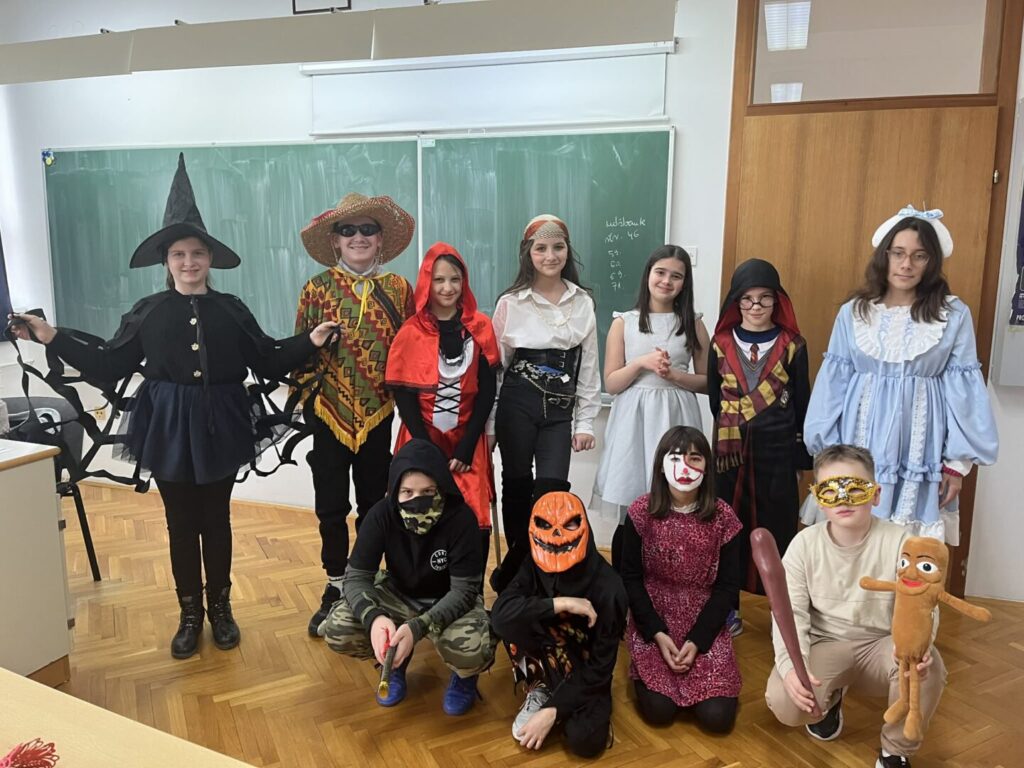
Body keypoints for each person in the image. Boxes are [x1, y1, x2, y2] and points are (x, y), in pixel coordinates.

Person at [10, 154, 337, 659]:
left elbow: (268, 358)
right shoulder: (149, 312)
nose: (189, 262)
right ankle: (190, 613)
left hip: (222, 422)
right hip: (165, 425)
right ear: (166, 260)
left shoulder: (231, 310)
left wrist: (309, 341)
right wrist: (53, 336)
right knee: (180, 523)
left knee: (217, 520)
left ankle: (222, 607)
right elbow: (110, 364)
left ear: (210, 259)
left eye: (197, 253)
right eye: (180, 254)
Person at [804, 205, 998, 543]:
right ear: (885, 256)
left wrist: (956, 465)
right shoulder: (854, 313)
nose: (906, 264)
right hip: (858, 439)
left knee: (908, 549)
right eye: (898, 253)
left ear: (931, 262)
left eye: (919, 256)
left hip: (920, 444)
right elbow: (832, 385)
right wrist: (827, 451)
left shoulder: (952, 315)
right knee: (852, 535)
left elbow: (964, 392)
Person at [764, 444, 947, 768]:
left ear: (876, 495)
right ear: (818, 498)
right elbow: (789, 614)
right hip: (825, 643)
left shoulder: (902, 542)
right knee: (785, 701)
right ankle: (830, 699)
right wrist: (791, 666)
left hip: (884, 645)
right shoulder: (803, 545)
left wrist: (919, 644)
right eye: (830, 489)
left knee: (926, 670)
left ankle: (895, 751)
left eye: (855, 488)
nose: (843, 498)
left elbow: (923, 604)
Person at [294, 193, 416, 636]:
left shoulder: (399, 289)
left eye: (368, 230)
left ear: (380, 239)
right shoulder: (316, 289)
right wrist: (309, 402)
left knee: (374, 504)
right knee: (330, 505)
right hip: (327, 412)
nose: (358, 237)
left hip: (379, 412)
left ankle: (365, 582)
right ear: (335, 240)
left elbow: (412, 350)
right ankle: (334, 584)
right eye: (348, 230)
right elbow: (299, 351)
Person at [319, 439, 495, 715]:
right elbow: (356, 577)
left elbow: (464, 592)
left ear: (442, 487)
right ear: (395, 491)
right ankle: (394, 661)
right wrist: (374, 618)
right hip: (398, 593)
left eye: (428, 491)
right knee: (339, 629)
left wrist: (417, 628)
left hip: (449, 599)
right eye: (408, 492)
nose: (417, 500)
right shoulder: (381, 515)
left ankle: (465, 675)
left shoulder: (462, 519)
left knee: (471, 650)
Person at [490, 214, 600, 591]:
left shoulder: (583, 301)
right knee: (517, 486)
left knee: (553, 492)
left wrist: (585, 422)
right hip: (516, 407)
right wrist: (491, 425)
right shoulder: (510, 303)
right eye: (541, 248)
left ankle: (538, 569)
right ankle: (520, 576)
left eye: (558, 247)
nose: (550, 255)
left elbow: (589, 366)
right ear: (528, 253)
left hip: (559, 412)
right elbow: (497, 370)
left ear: (567, 251)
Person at [708, 258, 812, 636]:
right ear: (735, 302)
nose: (756, 307)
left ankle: (781, 610)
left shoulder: (793, 346)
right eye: (747, 299)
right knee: (727, 530)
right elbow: (715, 401)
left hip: (777, 455)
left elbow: (802, 403)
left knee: (778, 531)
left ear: (777, 301)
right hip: (729, 458)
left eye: (765, 298)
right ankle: (727, 608)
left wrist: (800, 458)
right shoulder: (720, 344)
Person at [592, 245, 709, 568]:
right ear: (648, 275)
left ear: (685, 283)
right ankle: (625, 580)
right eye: (661, 272)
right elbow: (612, 383)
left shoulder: (694, 323)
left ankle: (669, 577)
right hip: (633, 421)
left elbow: (708, 382)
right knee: (633, 500)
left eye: (676, 276)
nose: (666, 281)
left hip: (676, 418)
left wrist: (674, 375)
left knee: (674, 498)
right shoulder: (624, 322)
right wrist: (642, 363)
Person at [386, 243, 500, 572]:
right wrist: (425, 449)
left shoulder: (480, 327)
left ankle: (470, 590)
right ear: (426, 283)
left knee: (473, 512)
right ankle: (418, 585)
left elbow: (486, 391)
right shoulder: (411, 331)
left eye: (454, 279)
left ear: (464, 282)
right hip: (421, 436)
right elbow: (404, 395)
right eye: (438, 280)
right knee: (417, 507)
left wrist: (467, 445)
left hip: (467, 439)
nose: (447, 288)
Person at [620, 426, 741, 733]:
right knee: (659, 712)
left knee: (717, 718)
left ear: (707, 466)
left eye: (695, 458)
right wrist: (657, 634)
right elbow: (630, 578)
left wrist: (697, 640)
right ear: (661, 466)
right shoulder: (640, 512)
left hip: (705, 618)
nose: (685, 468)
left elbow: (727, 587)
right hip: (654, 615)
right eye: (675, 458)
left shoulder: (724, 517)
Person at [490, 491, 627, 758]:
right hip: (544, 649)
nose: (556, 534)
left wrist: (553, 711)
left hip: (584, 667)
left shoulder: (610, 588)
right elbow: (500, 615)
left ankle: (558, 700)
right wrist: (559, 603)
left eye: (569, 524)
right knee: (511, 617)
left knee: (585, 741)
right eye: (546, 525)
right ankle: (540, 684)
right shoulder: (533, 564)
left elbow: (600, 669)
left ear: (583, 525)